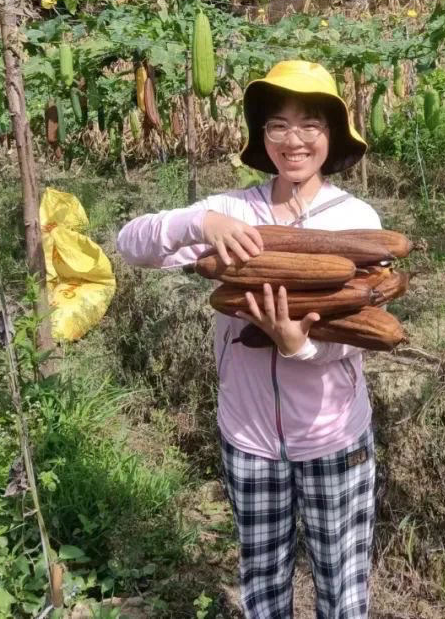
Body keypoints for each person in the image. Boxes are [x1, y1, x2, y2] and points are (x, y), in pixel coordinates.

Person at [115, 60, 380, 619]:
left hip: (333, 436)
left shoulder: (357, 221)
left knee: (343, 587)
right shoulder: (232, 211)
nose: (294, 140)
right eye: (278, 125)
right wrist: (200, 223)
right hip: (250, 437)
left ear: (331, 135)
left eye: (311, 124)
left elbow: (359, 326)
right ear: (262, 136)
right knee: (261, 583)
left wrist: (299, 347)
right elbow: (130, 245)